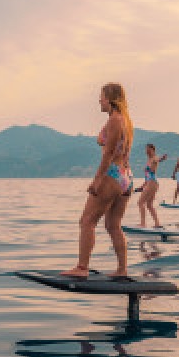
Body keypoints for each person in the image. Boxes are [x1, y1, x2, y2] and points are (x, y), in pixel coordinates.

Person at [61, 83, 135, 279]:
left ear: (110, 98)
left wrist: (97, 181)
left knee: (87, 221)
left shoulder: (115, 120)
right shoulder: (125, 120)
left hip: (112, 174)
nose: (99, 100)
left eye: (101, 96)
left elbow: (108, 154)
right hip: (125, 176)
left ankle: (82, 267)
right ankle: (122, 270)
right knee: (113, 225)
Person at [136, 143, 168, 227]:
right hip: (151, 183)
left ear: (153, 150)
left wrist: (162, 158)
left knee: (140, 202)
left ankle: (143, 224)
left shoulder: (154, 158)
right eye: (146, 150)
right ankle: (157, 223)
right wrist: (141, 187)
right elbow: (147, 177)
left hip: (152, 183)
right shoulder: (149, 160)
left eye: (148, 149)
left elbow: (158, 159)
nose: (146, 151)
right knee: (149, 205)